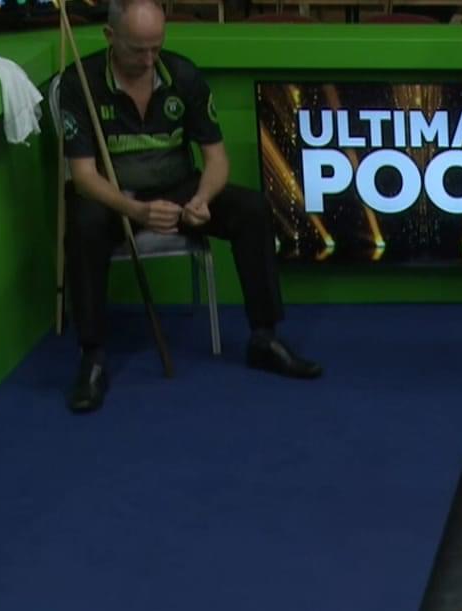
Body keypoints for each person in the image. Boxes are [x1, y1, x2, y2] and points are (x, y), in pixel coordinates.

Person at [56, 0, 319, 414]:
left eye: (156, 48)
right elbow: (84, 176)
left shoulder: (182, 75)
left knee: (251, 209)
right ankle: (93, 357)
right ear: (110, 37)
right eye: (136, 50)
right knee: (83, 223)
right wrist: (134, 210)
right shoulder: (80, 82)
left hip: (179, 188)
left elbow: (216, 158)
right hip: (113, 195)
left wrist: (203, 199)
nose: (148, 60)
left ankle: (264, 338)